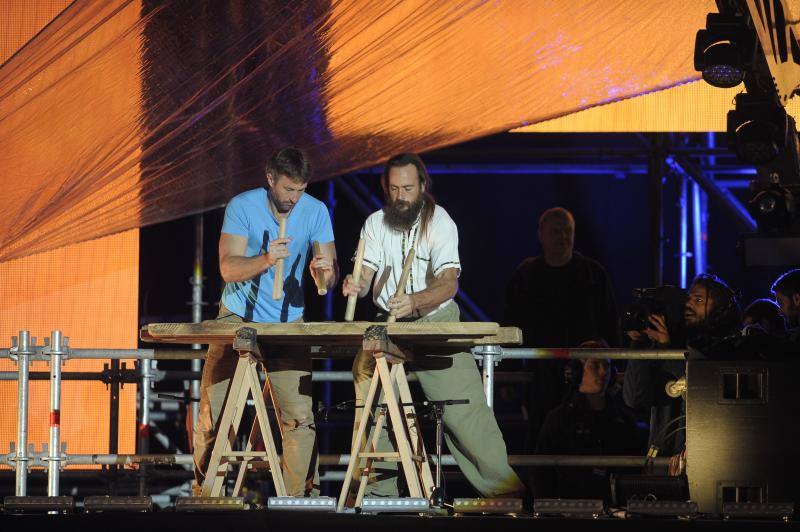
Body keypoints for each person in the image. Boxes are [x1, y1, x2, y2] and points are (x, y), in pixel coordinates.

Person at [342, 153, 524, 498]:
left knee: (462, 410)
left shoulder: (440, 222)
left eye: (408, 188)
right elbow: (366, 273)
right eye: (394, 188)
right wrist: (357, 284)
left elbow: (448, 283)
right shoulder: (375, 223)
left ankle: (505, 493)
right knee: (369, 386)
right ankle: (381, 492)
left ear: (423, 186)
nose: (401, 196)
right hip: (389, 323)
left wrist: (415, 300)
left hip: (434, 319)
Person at [193, 147, 338, 496]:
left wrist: (324, 274)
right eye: (289, 189)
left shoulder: (315, 211)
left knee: (299, 417)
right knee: (216, 413)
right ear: (271, 179)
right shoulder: (243, 207)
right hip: (237, 315)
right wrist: (267, 258)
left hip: (288, 320)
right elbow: (228, 268)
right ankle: (206, 493)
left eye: (301, 189)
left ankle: (298, 500)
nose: (294, 197)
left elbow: (328, 276)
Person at [506, 207, 619, 445]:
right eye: (556, 231)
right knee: (543, 439)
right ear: (541, 235)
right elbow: (511, 324)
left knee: (589, 440)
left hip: (586, 372)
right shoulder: (526, 275)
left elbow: (610, 323)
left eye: (568, 231)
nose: (563, 237)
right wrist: (510, 373)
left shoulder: (593, 274)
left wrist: (613, 367)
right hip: (543, 374)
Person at [623, 274, 741, 456]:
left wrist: (669, 350)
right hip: (662, 463)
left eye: (699, 300)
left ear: (721, 309)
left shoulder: (729, 349)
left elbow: (705, 392)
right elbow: (634, 398)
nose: (689, 304)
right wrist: (638, 345)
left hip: (706, 460)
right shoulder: (669, 341)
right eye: (688, 299)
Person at [534, 343, 640, 502]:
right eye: (595, 366)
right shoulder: (559, 419)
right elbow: (541, 473)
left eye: (607, 365)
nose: (604, 372)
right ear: (576, 372)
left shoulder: (624, 419)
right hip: (570, 511)